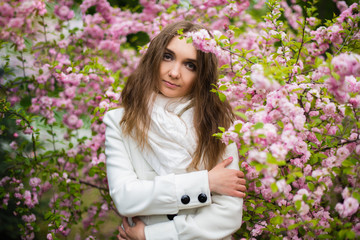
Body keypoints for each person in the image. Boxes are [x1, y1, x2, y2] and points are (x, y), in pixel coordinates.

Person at [103, 21, 246, 240]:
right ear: (154, 58)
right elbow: (126, 197)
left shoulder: (218, 125)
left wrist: (152, 235)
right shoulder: (120, 122)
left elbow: (228, 215)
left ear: (202, 75)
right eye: (167, 57)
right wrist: (205, 183)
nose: (174, 72)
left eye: (190, 65)